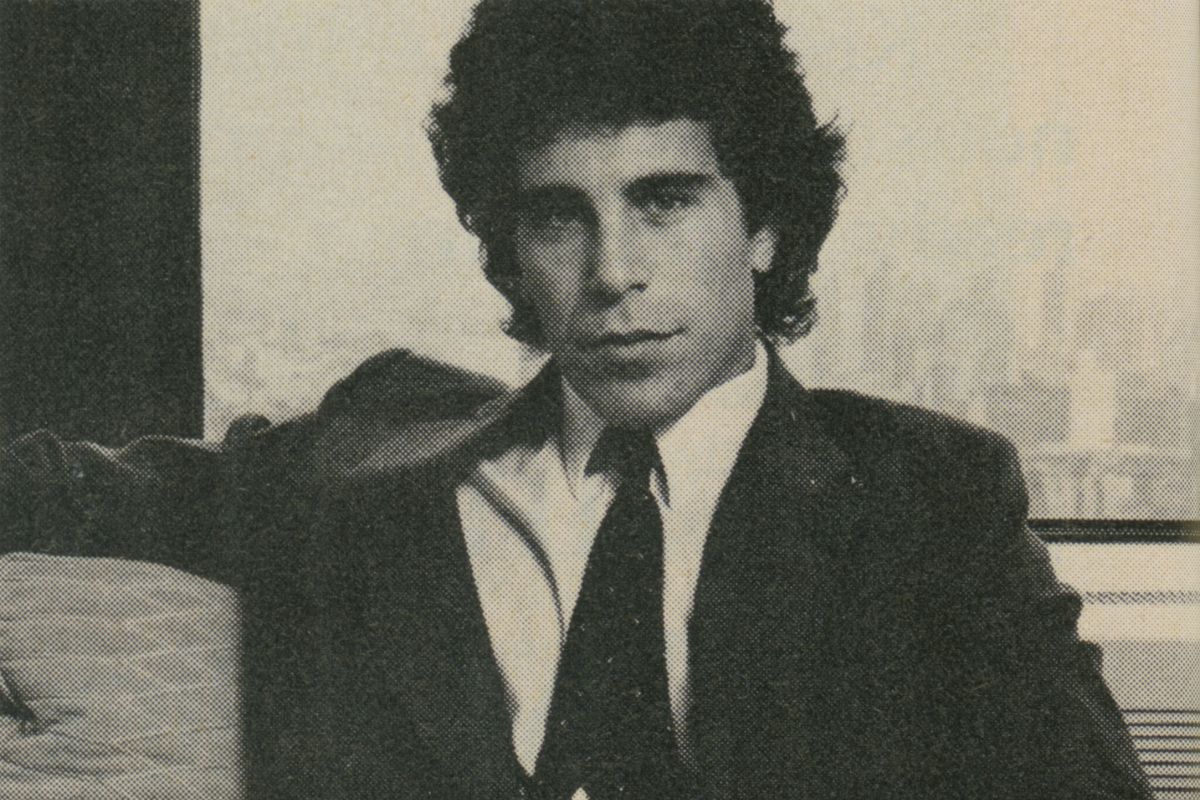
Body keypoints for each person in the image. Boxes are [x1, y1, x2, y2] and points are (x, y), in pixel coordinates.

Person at [0, 1, 1153, 799]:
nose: (613, 271)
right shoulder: (376, 447)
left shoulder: (930, 498)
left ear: (763, 223)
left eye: (664, 202)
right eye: (560, 216)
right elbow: (61, 490)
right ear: (510, 243)